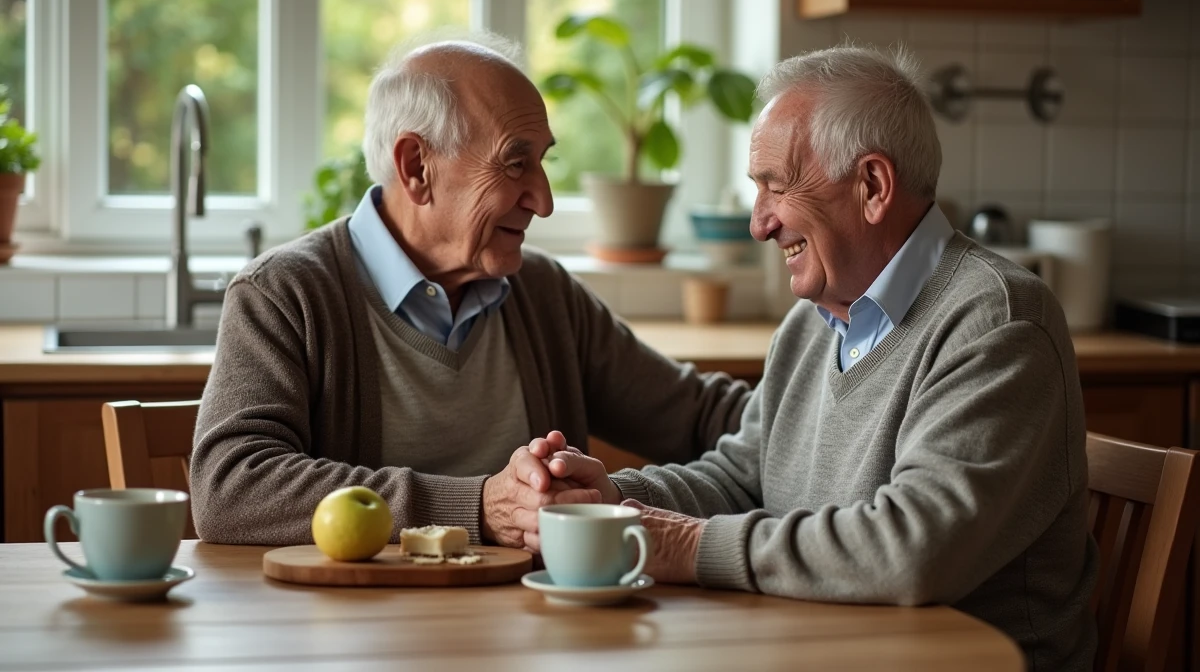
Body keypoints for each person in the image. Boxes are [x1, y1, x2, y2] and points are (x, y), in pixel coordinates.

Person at [534, 45, 1097, 670]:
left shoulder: (997, 322)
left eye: (777, 187)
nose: (758, 224)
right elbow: (744, 480)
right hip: (827, 650)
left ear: (873, 187)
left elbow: (912, 551)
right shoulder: (815, 321)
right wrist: (610, 498)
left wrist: (680, 545)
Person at [190, 34, 751, 551]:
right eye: (515, 162)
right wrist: (477, 507)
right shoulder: (284, 294)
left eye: (543, 161)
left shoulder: (542, 293)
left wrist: (828, 412)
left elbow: (700, 415)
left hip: (536, 633)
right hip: (359, 640)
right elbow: (231, 486)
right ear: (417, 168)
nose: (544, 199)